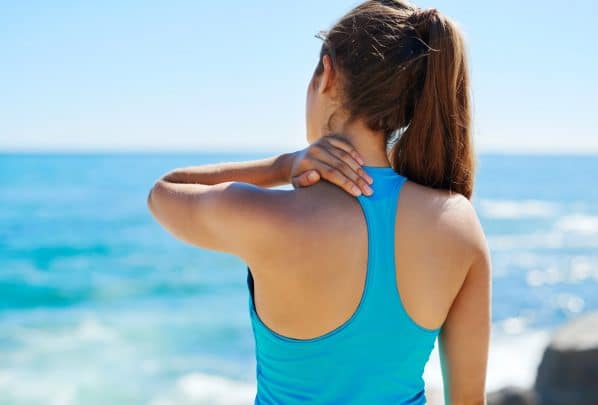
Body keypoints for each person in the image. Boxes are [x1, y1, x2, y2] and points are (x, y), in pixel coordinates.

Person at [147, 0, 491, 403]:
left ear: (327, 74)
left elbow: (163, 193)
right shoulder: (458, 222)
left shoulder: (270, 217)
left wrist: (283, 166)